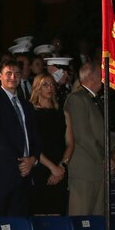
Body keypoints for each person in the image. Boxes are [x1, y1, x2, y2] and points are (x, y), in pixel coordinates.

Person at [0, 59, 41, 216]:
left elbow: (35, 137)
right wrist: (20, 161)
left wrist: (32, 159)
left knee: (20, 219)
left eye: (17, 73)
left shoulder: (27, 105)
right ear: (0, 77)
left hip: (25, 172)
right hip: (3, 170)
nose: (13, 77)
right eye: (8, 73)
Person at [64, 61, 106, 215]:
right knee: (81, 222)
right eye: (102, 75)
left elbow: (108, 132)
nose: (104, 79)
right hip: (84, 171)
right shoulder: (77, 99)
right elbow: (82, 135)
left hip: (99, 171)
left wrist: (113, 153)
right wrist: (103, 158)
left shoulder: (97, 100)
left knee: (97, 224)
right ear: (91, 76)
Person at [28, 73, 69, 215]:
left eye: (52, 84)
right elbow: (31, 144)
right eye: (45, 84)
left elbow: (70, 143)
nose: (50, 88)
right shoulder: (30, 113)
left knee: (58, 213)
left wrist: (61, 167)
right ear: (37, 88)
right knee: (40, 215)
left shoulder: (62, 113)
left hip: (61, 167)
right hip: (40, 167)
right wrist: (52, 168)